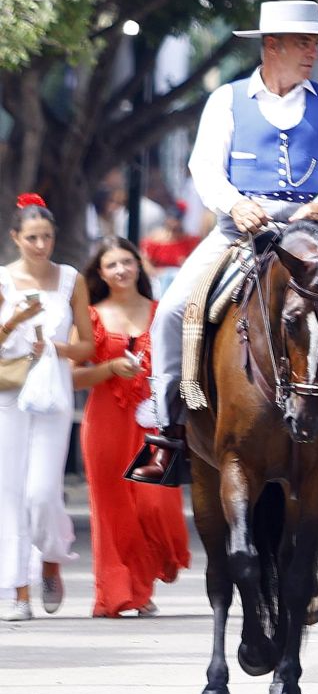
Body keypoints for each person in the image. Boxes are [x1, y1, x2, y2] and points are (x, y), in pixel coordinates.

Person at [130, 0, 318, 489]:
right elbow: (204, 169)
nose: (311, 53)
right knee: (172, 309)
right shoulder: (228, 99)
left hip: (311, 232)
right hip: (240, 232)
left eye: (314, 43)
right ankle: (166, 427)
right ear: (271, 45)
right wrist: (234, 205)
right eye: (303, 43)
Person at [72, 237, 188, 616]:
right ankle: (127, 592)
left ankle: (146, 576)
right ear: (100, 273)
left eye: (127, 261)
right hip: (105, 421)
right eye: (112, 265)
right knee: (113, 509)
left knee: (155, 504)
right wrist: (108, 369)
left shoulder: (163, 311)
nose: (121, 270)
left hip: (154, 422)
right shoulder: (90, 315)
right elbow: (73, 377)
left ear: (139, 264)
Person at [0, 196, 89, 621]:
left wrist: (55, 347)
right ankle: (18, 591)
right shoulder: (2, 281)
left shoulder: (71, 279)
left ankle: (51, 557)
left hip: (53, 391)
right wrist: (14, 322)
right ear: (15, 238)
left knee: (41, 492)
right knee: (10, 494)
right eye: (32, 237)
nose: (40, 245)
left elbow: (88, 344)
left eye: (47, 237)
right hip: (9, 393)